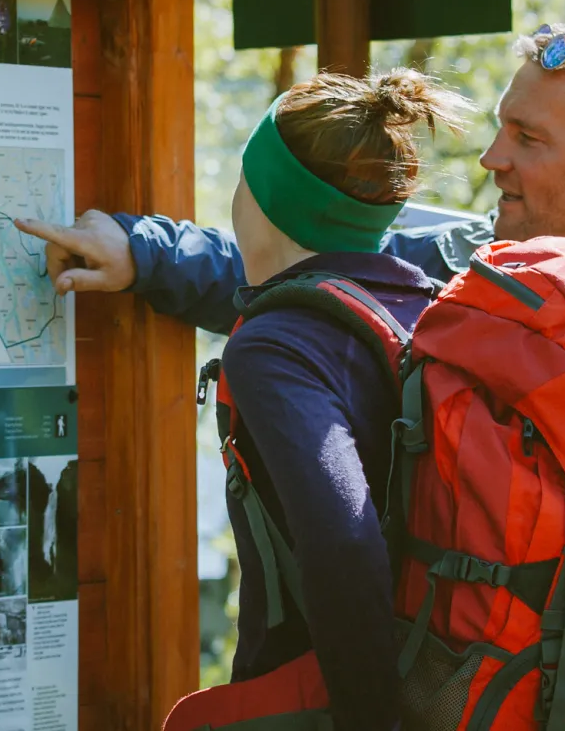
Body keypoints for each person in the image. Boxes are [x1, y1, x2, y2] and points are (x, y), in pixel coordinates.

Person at [16, 23, 565, 731]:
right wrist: (143, 253)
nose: (491, 157)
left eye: (528, 139)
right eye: (502, 125)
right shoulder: (474, 273)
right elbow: (315, 272)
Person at [100, 68, 471, 728]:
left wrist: (369, 719)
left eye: (244, 180)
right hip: (443, 675)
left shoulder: (276, 346)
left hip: (318, 701)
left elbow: (344, 539)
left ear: (267, 201)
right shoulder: (428, 307)